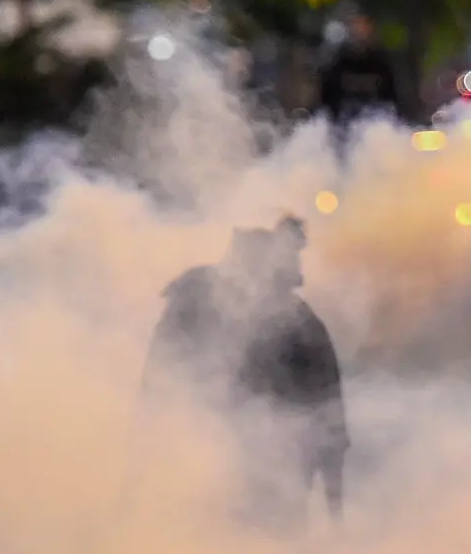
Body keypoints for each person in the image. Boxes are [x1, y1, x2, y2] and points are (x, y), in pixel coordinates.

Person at [142, 214, 347, 528]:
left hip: (272, 488)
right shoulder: (192, 307)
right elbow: (156, 396)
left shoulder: (303, 327)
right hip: (203, 482)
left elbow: (329, 421)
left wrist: (336, 513)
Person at [318, 9, 404, 127]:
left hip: (376, 121)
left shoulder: (381, 62)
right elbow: (328, 96)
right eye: (356, 27)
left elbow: (392, 95)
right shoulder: (339, 62)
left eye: (363, 27)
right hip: (345, 122)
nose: (360, 31)